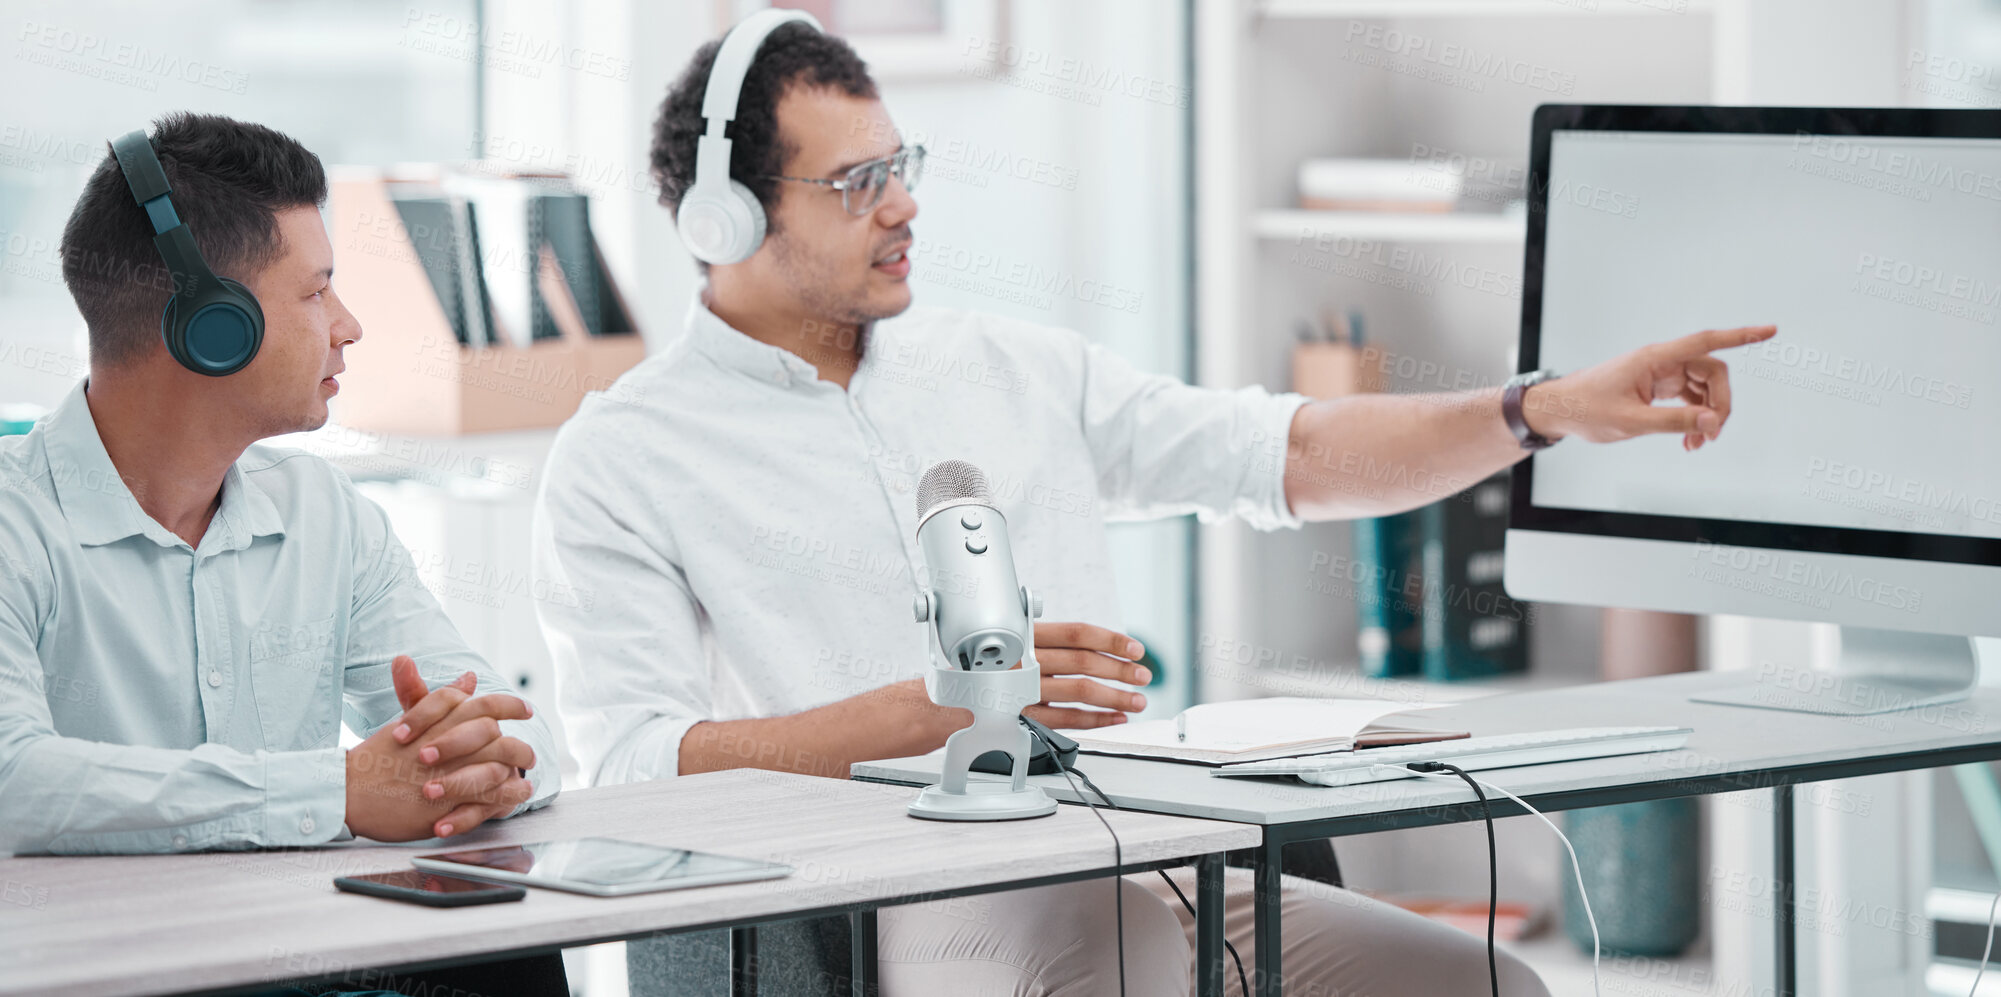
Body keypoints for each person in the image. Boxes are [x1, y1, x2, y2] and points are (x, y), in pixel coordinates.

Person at [533, 20, 1773, 997]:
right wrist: (940, 709)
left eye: (901, 166)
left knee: (1480, 979)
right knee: (1109, 968)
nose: (904, 203)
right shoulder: (629, 457)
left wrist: (1540, 409)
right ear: (727, 217)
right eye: (858, 182)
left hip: (1135, 854)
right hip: (876, 913)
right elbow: (638, 767)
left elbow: (1284, 450)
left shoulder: (1012, 367)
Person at [0, 112, 555, 861]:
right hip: (98, 968)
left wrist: (475, 760)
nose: (349, 326)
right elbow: (16, 781)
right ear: (211, 325)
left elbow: (518, 735)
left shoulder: (324, 515)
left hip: (312, 954)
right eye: (316, 292)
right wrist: (338, 794)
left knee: (508, 942)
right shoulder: (17, 524)